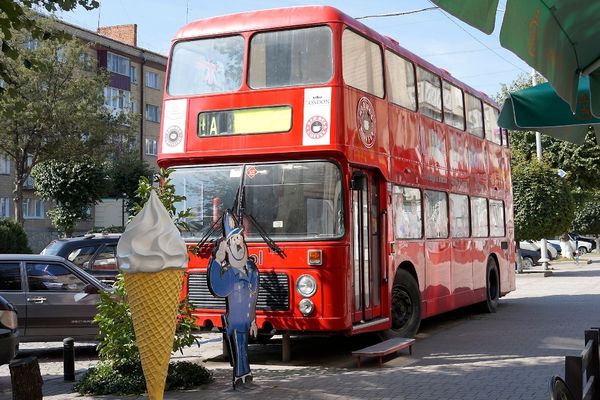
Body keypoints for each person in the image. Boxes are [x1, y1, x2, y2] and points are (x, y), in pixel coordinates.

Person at [208, 211, 259, 389]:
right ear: (228, 246)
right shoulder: (229, 271)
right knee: (238, 348)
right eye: (234, 241)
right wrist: (216, 262)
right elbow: (218, 287)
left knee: (245, 347)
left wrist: (253, 320)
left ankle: (246, 375)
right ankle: (240, 375)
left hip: (246, 318)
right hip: (235, 319)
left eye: (240, 240)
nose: (238, 244)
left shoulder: (251, 269)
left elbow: (253, 296)